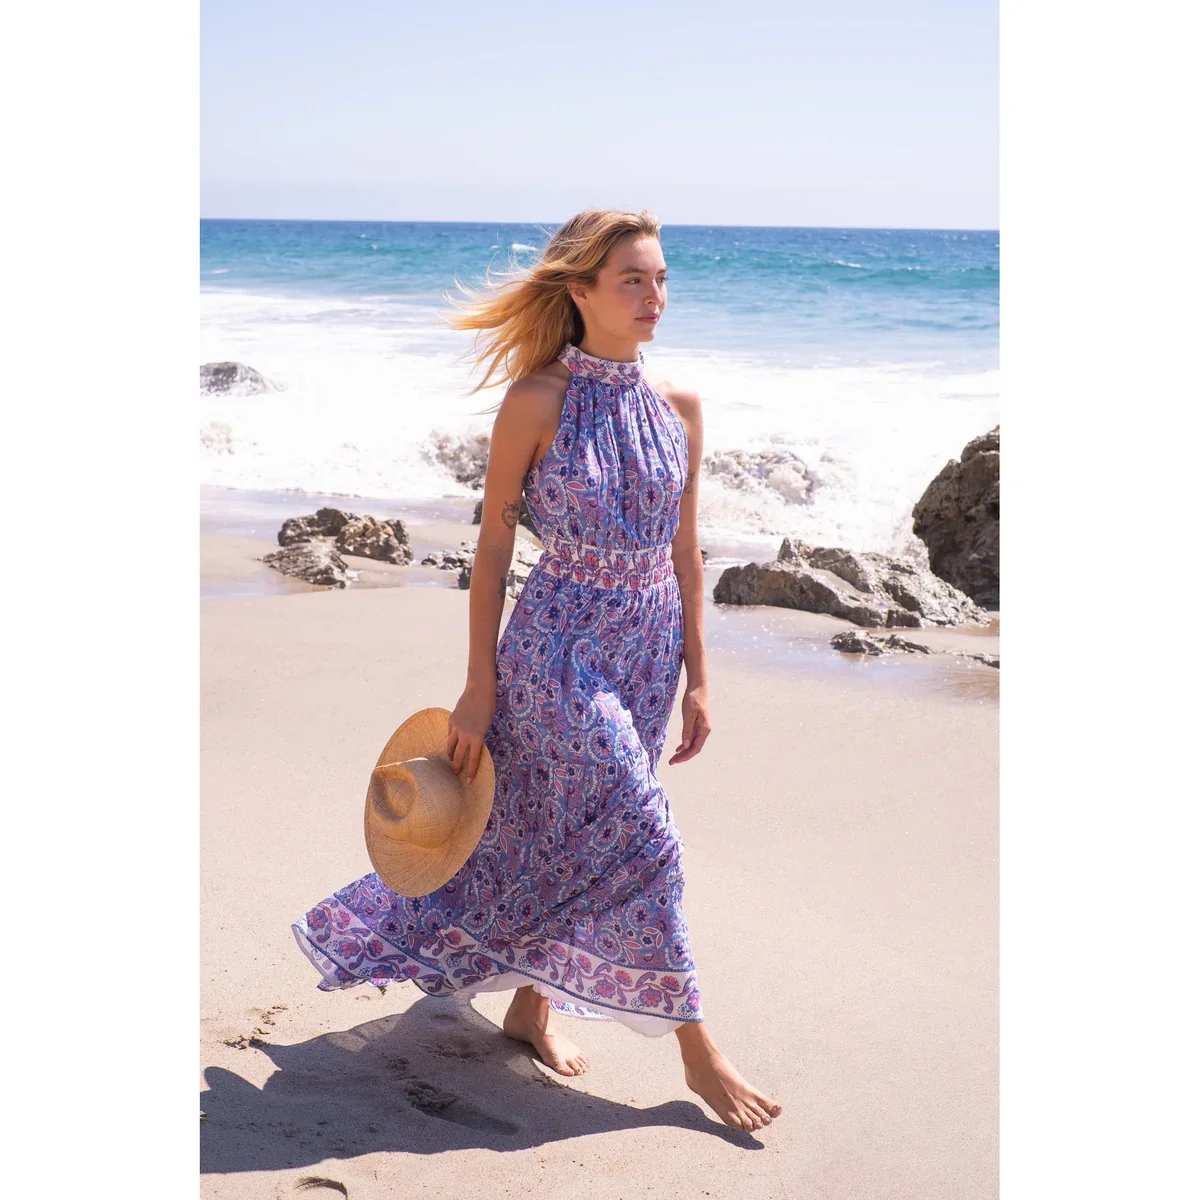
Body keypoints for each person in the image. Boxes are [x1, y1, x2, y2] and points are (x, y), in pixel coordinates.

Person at [291, 209, 782, 1133]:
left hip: (647, 646)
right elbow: (492, 549)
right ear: (580, 290)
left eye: (661, 278)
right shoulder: (536, 399)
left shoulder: (681, 404)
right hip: (556, 645)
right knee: (646, 835)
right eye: (633, 279)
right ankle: (697, 1050)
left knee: (563, 832)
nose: (654, 296)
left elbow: (686, 549)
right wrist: (478, 683)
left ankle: (531, 1008)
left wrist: (701, 674)